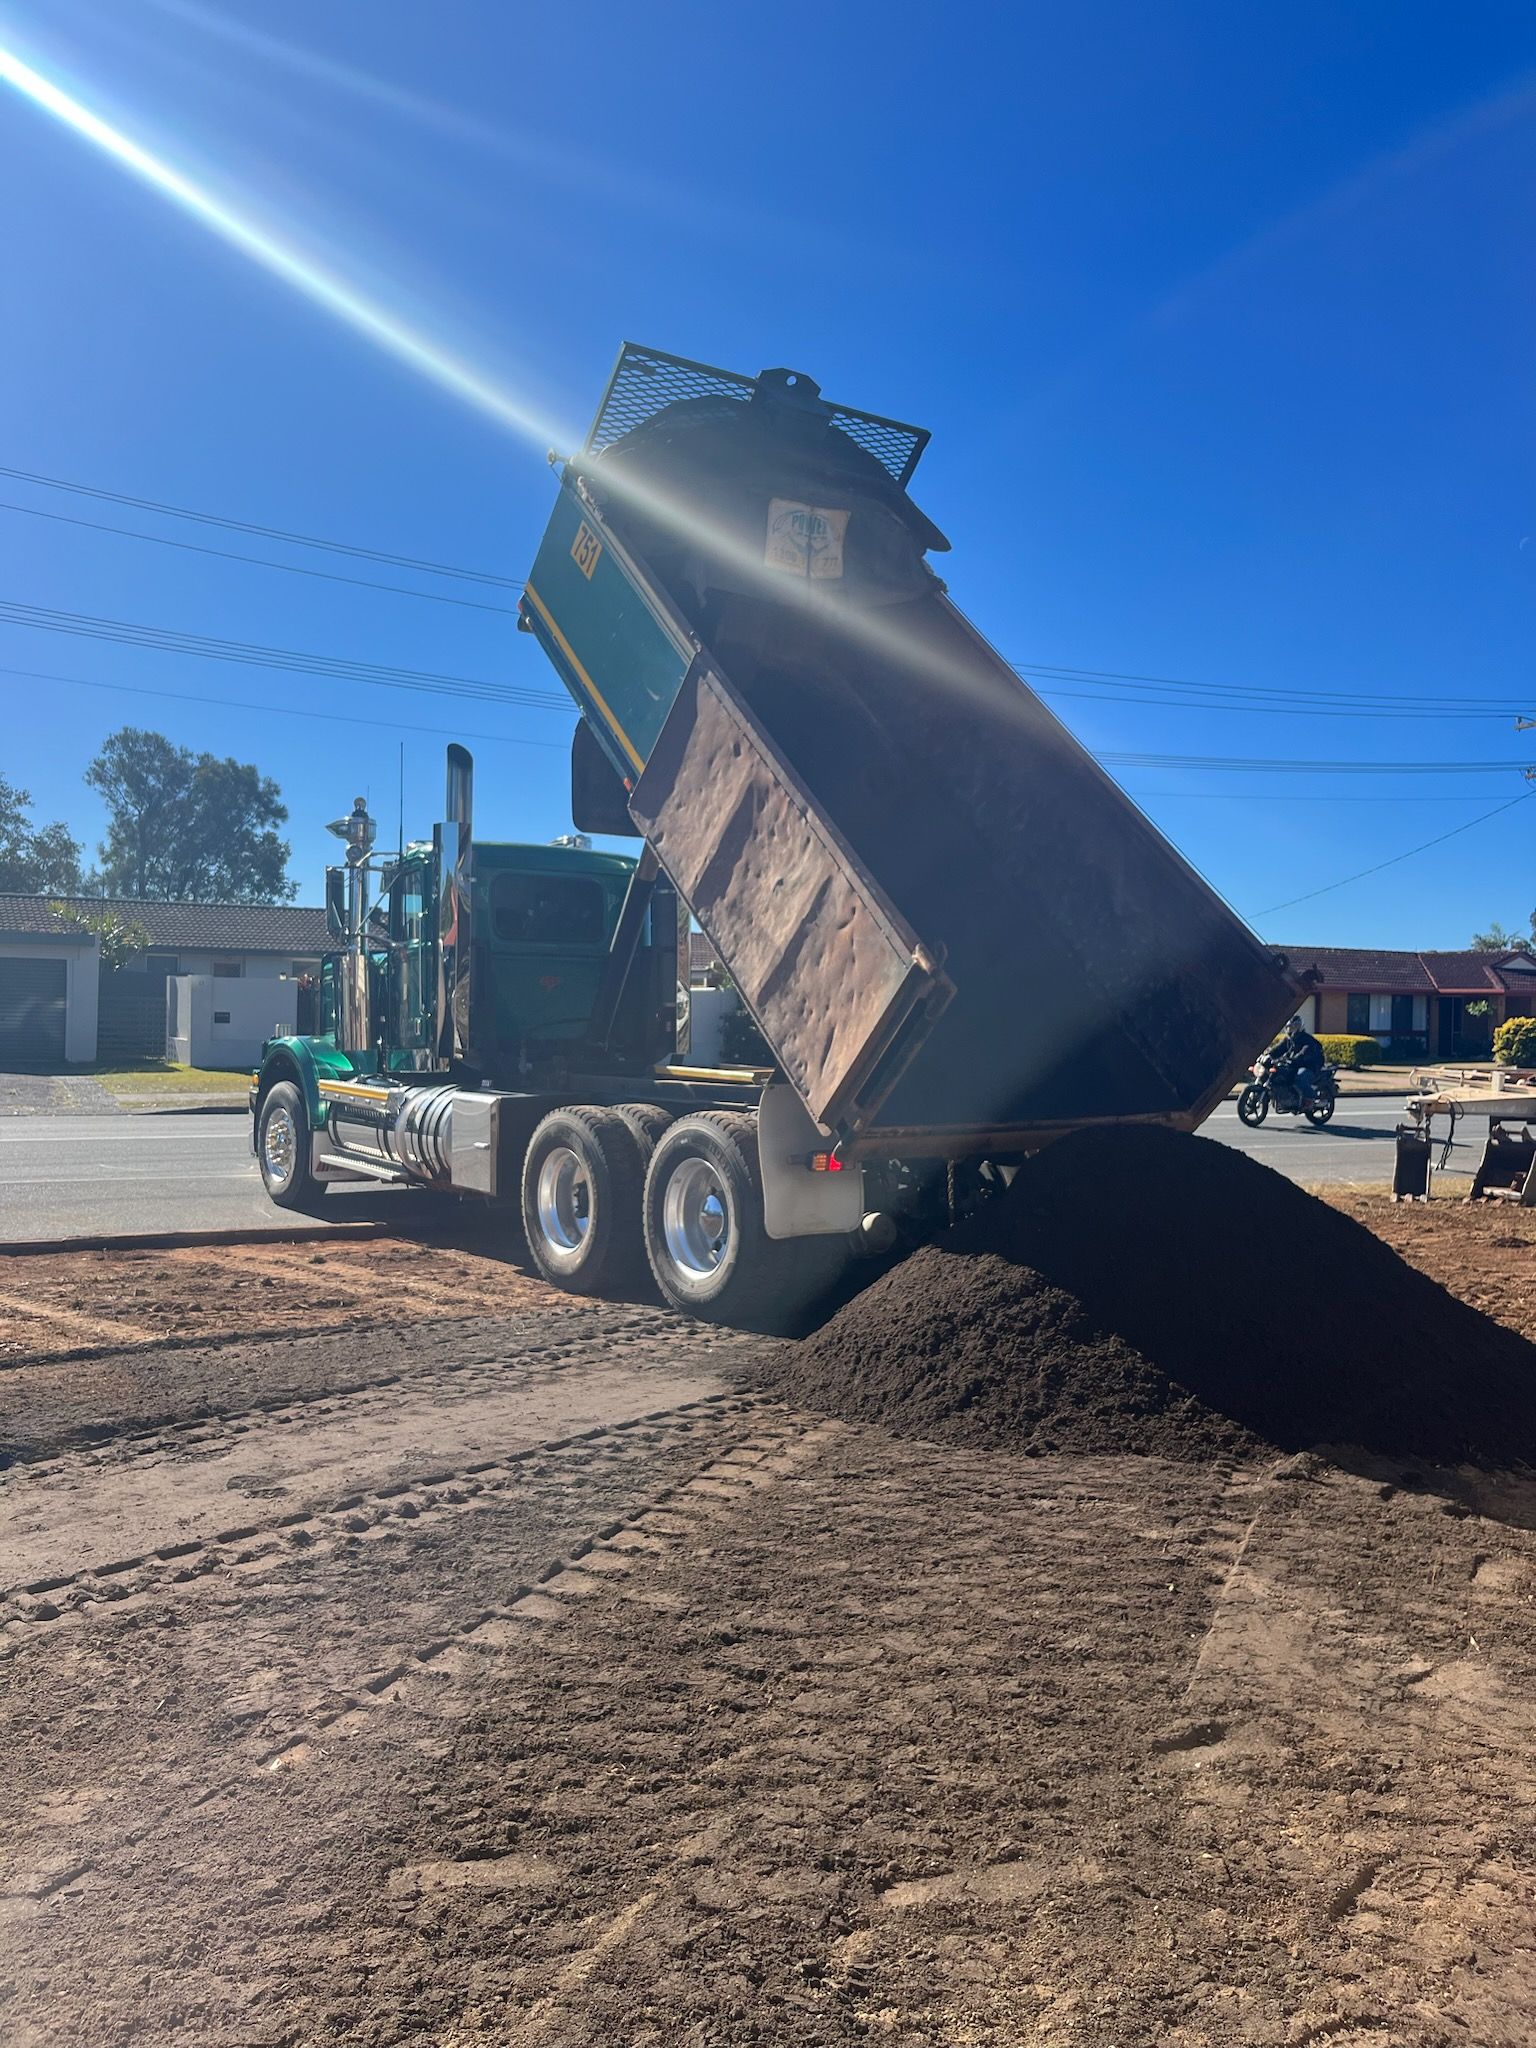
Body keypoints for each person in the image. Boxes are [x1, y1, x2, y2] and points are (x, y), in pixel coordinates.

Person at [1275, 1014, 1325, 1100]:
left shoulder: (1307, 1039)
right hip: (1294, 1065)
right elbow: (1278, 1049)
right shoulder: (1288, 1040)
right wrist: (1267, 1055)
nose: (1291, 1029)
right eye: (1289, 1027)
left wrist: (1296, 1058)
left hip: (1309, 1066)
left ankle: (1311, 1099)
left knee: (1300, 1077)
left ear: (1300, 1027)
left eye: (1294, 1027)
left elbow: (1304, 1051)